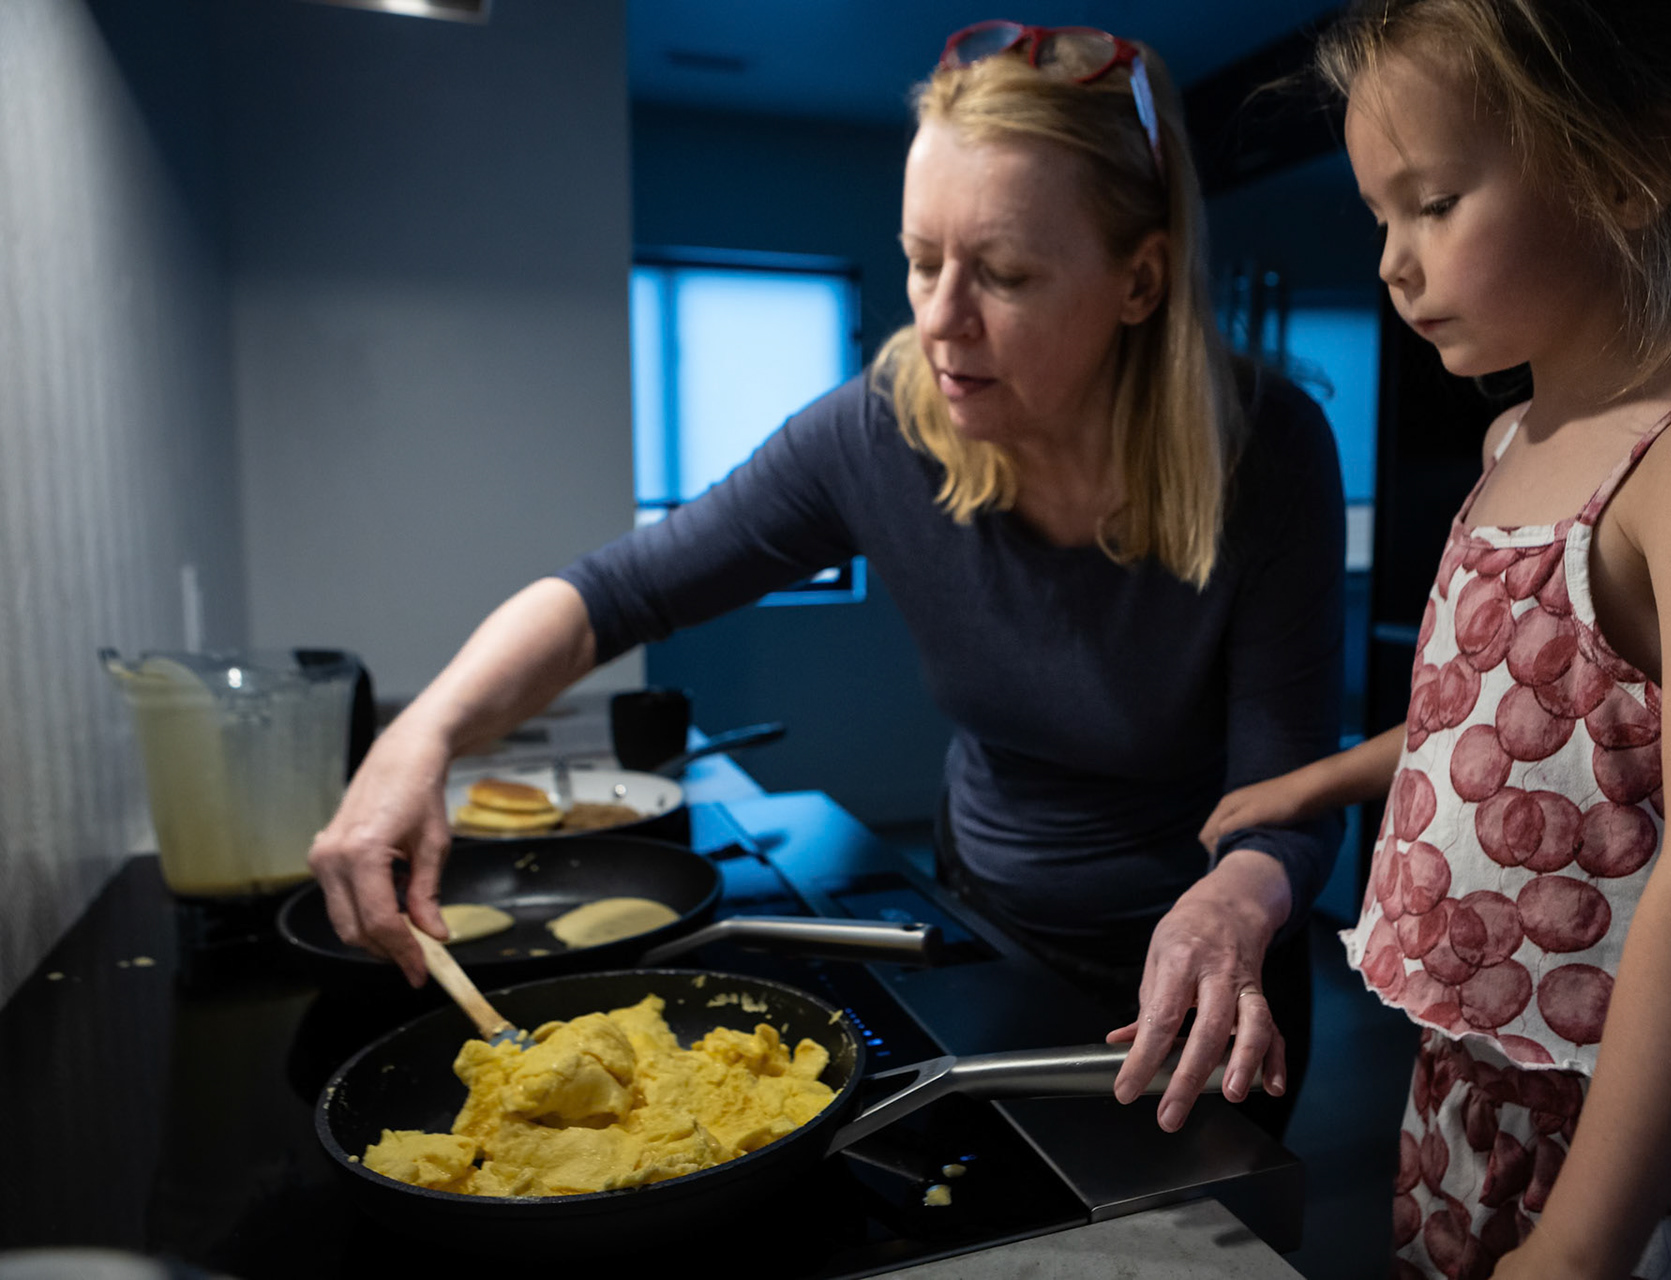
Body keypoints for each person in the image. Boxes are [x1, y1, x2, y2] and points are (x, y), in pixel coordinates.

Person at [309, 21, 1347, 1140]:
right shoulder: (882, 427)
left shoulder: (1265, 450)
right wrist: (418, 741)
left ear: (1139, 278)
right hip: (987, 925)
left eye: (1001, 274)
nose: (938, 321)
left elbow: (1287, 796)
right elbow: (616, 593)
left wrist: (1239, 897)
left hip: (1205, 970)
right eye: (920, 258)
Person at [1200, 0, 1671, 1274]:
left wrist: (1583, 1244)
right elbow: (1501, 715)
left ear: (1627, 167)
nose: (1392, 262)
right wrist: (1319, 776)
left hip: (1638, 1136)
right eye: (1382, 215)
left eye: (1433, 203)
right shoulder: (1511, 446)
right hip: (1477, 1084)